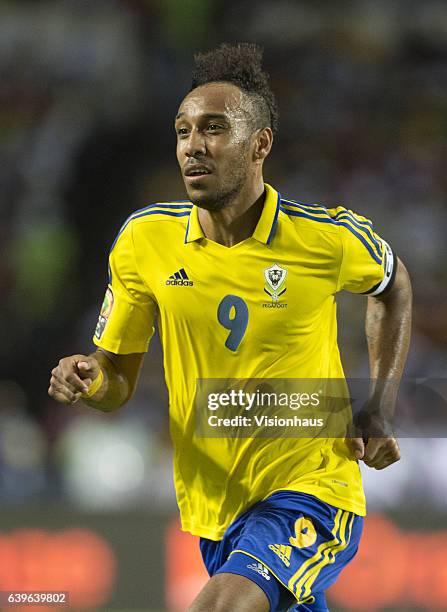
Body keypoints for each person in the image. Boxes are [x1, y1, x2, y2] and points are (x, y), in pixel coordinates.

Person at [48, 43, 412, 611]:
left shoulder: (326, 237)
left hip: (312, 491)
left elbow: (393, 288)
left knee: (219, 606)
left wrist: (380, 405)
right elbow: (116, 379)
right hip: (215, 511)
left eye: (213, 129)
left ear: (259, 143)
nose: (193, 146)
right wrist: (90, 379)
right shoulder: (145, 241)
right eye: (183, 131)